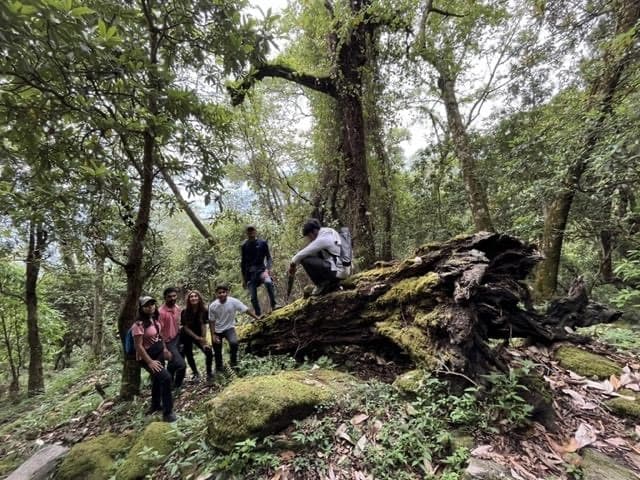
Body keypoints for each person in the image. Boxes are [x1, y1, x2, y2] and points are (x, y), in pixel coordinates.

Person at [132, 296, 176, 422]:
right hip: (147, 357)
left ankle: (155, 405)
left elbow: (159, 336)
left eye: (152, 304)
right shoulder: (138, 325)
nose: (150, 307)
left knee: (157, 380)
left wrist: (165, 349)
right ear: (141, 308)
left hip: (158, 352)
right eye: (146, 305)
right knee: (166, 378)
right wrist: (149, 362)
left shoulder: (155, 319)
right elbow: (138, 346)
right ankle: (168, 413)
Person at [208, 283, 260, 373]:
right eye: (219, 293)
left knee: (234, 343)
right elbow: (211, 321)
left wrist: (257, 318)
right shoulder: (213, 306)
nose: (221, 294)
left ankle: (233, 363)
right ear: (216, 294)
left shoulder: (234, 301)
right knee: (217, 350)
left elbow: (245, 310)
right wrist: (213, 335)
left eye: (223, 292)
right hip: (217, 330)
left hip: (229, 328)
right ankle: (219, 369)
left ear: (227, 292)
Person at [288, 219, 349, 295]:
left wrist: (292, 265)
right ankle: (331, 284)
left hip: (338, 271)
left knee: (304, 259)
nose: (309, 239)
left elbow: (299, 256)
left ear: (314, 231)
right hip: (344, 268)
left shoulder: (322, 239)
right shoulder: (329, 231)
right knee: (315, 254)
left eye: (309, 236)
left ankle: (321, 284)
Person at [240, 225, 277, 316]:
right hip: (250, 274)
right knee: (253, 297)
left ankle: (274, 305)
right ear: (247, 233)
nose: (251, 232)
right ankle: (258, 315)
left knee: (268, 282)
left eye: (252, 230)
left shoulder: (262, 243)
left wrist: (268, 270)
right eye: (249, 231)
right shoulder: (244, 245)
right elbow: (243, 263)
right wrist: (244, 279)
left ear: (255, 231)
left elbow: (268, 258)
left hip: (261, 270)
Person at [180, 290, 214, 384]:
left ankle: (209, 373)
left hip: (199, 335)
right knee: (189, 354)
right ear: (188, 299)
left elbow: (204, 324)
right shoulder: (184, 311)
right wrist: (196, 337)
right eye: (191, 296)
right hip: (186, 335)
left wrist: (203, 339)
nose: (194, 298)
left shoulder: (204, 310)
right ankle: (195, 373)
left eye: (196, 296)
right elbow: (185, 327)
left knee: (208, 351)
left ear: (199, 298)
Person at [158, 287, 186, 390]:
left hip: (177, 338)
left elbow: (178, 323)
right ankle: (177, 386)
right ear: (165, 298)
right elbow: (159, 331)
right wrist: (164, 348)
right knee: (181, 365)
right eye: (169, 297)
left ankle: (169, 385)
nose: (172, 298)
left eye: (174, 296)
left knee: (172, 364)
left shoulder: (177, 308)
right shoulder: (160, 312)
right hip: (168, 342)